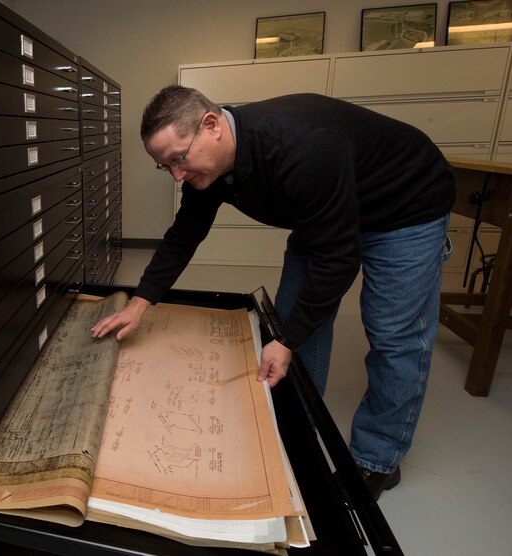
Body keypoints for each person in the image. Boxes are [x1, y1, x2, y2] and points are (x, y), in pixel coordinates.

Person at [90, 85, 454, 500]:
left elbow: (338, 260)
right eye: (165, 166)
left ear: (211, 126)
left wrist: (287, 341)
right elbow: (184, 233)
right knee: (291, 319)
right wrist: (141, 303)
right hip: (324, 211)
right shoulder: (211, 167)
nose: (176, 175)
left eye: (178, 159)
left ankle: (376, 460)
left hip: (405, 207)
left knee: (393, 336)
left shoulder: (300, 146)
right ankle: (299, 423)